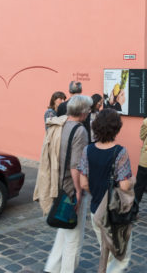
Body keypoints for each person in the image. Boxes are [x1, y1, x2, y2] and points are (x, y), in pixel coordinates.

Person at [78, 109, 133, 272]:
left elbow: (83, 183)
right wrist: (132, 180)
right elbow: (124, 186)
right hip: (115, 213)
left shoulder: (87, 150)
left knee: (105, 249)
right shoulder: (120, 152)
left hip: (97, 210)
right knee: (121, 256)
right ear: (116, 128)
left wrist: (97, 192)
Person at [42, 95, 92, 273]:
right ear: (84, 112)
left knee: (63, 231)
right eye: (89, 110)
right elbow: (75, 166)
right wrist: (78, 192)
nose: (89, 113)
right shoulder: (80, 130)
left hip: (58, 184)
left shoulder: (59, 125)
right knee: (73, 238)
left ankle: (52, 268)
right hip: (71, 188)